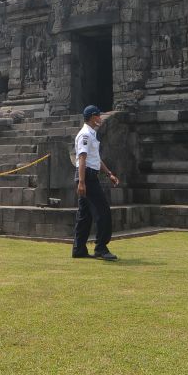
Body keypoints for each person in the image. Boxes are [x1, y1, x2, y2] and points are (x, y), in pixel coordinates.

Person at [72, 105, 120, 261]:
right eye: (98, 116)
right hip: (88, 178)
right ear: (92, 117)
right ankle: (101, 247)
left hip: (89, 176)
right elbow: (82, 158)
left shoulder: (91, 134)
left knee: (84, 215)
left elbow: (95, 160)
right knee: (103, 212)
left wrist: (109, 174)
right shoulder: (85, 134)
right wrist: (82, 182)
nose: (100, 118)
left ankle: (79, 249)